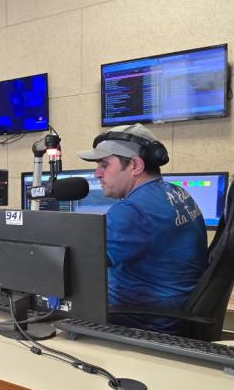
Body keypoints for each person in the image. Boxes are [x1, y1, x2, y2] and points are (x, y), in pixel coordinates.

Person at [77, 123, 207, 333]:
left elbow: (78, 265)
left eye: (104, 164)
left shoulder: (133, 211)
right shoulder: (176, 192)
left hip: (138, 323)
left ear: (135, 166)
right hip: (169, 310)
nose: (97, 174)